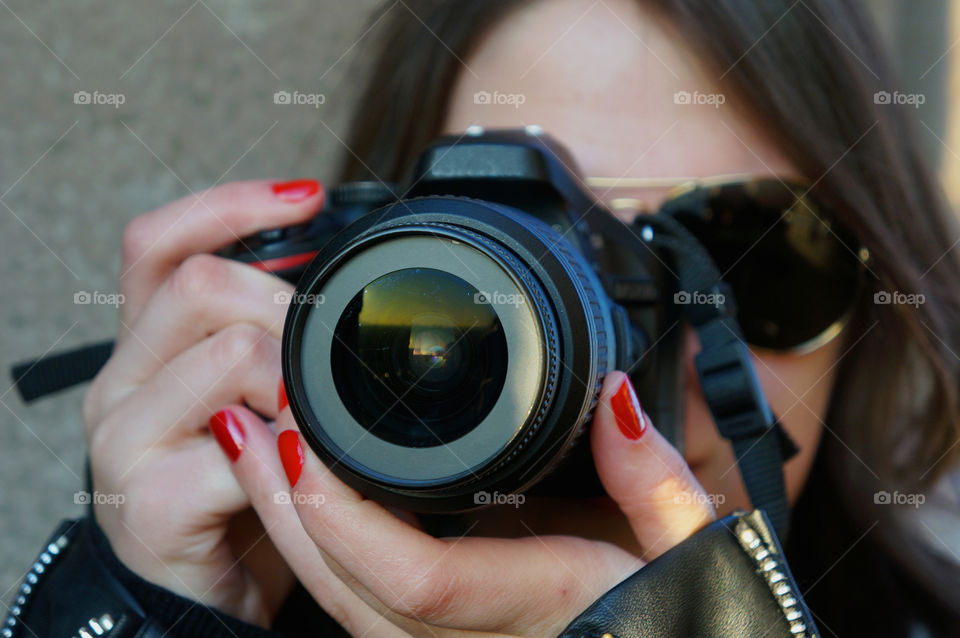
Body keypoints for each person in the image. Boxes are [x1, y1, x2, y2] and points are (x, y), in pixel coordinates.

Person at [9, 0, 960, 636]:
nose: (623, 373)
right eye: (514, 269)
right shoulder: (227, 589)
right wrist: (141, 610)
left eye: (749, 255)